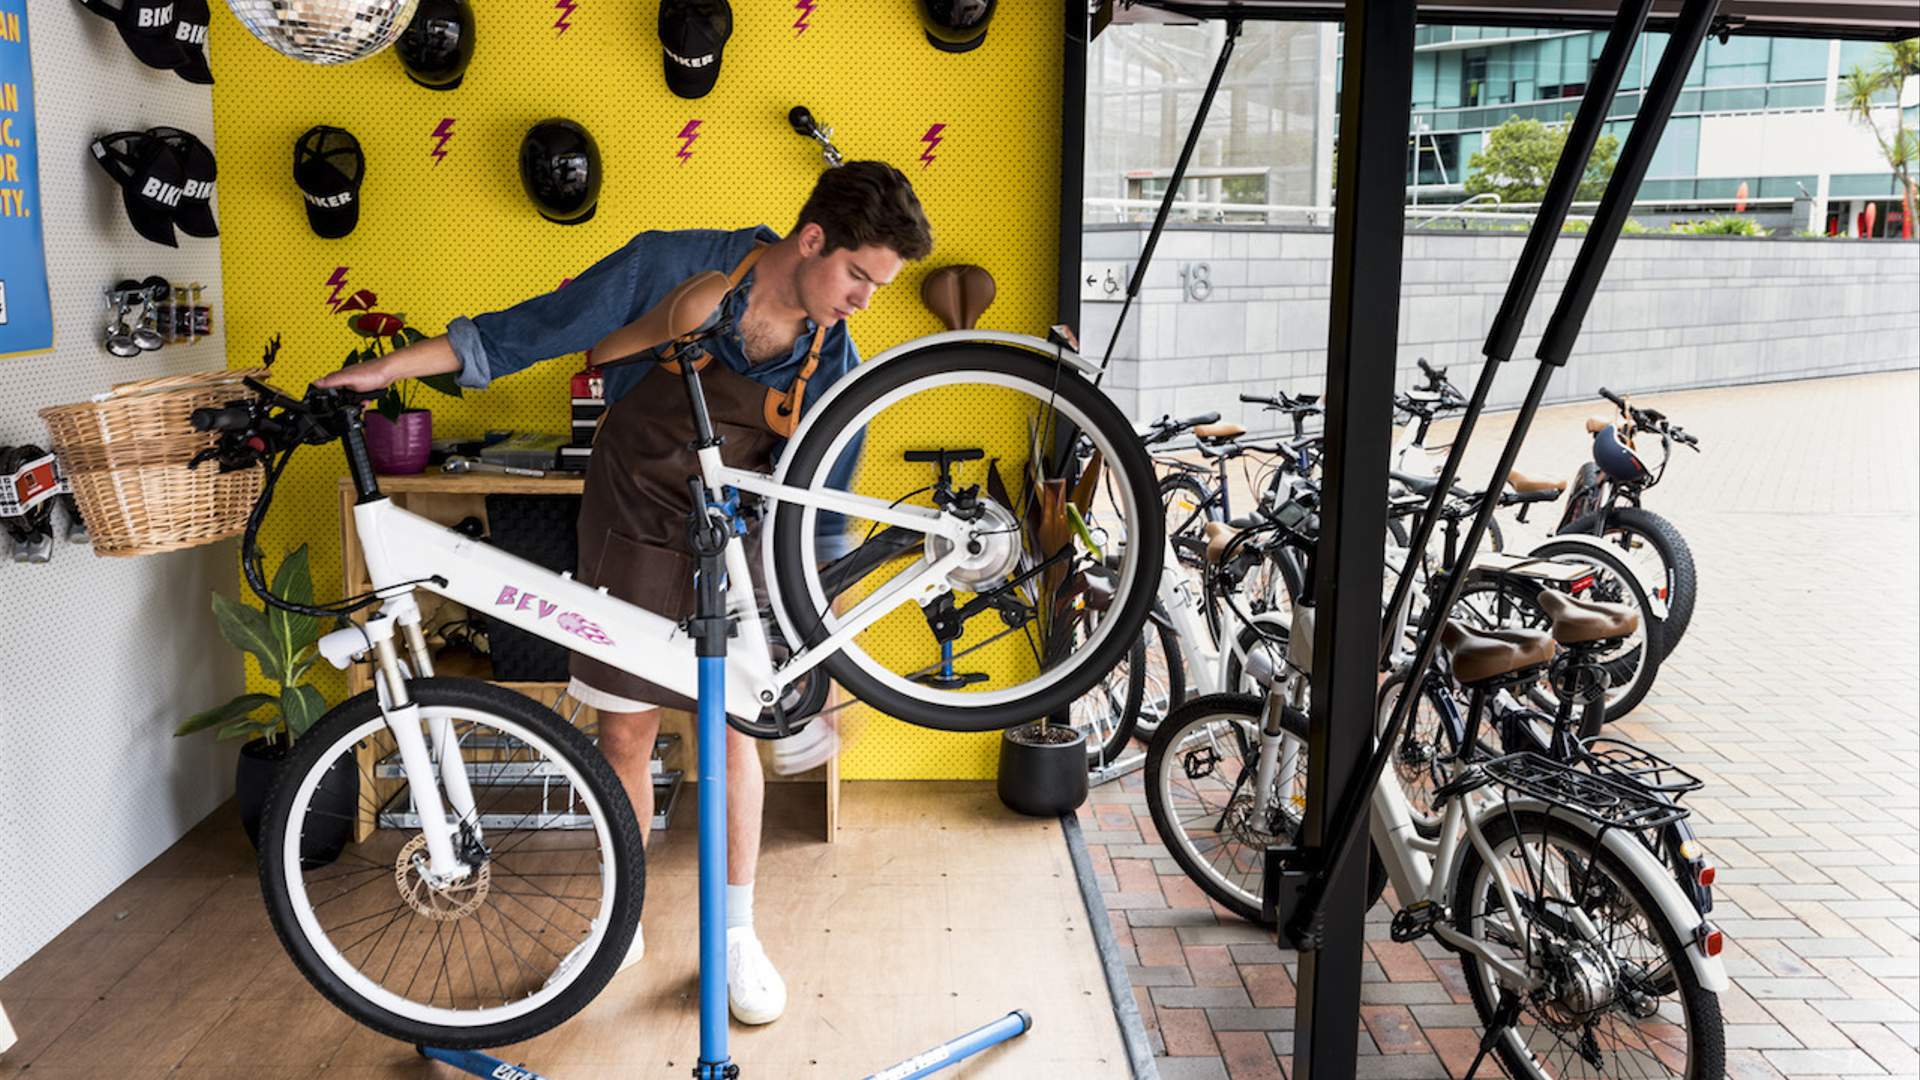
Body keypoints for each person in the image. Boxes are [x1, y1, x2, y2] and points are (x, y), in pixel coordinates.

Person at [314, 161, 935, 1025]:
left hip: (738, 537)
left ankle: (738, 937)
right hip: (632, 519)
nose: (865, 299)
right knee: (626, 732)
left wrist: (816, 660)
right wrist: (386, 372)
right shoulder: (673, 266)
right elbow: (529, 331)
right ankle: (623, 921)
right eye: (859, 275)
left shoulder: (838, 362)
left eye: (881, 285)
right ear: (813, 239)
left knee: (731, 732)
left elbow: (822, 525)